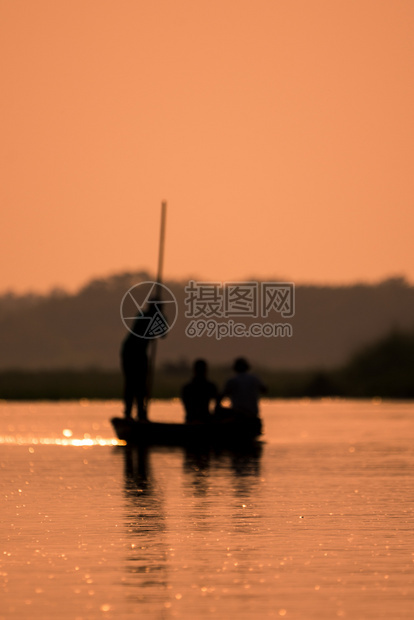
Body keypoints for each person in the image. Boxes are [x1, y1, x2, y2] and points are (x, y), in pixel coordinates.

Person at [120, 302, 160, 420]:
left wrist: (159, 317)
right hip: (131, 352)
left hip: (141, 353)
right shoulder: (143, 316)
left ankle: (141, 412)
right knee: (132, 382)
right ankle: (128, 413)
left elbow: (163, 333)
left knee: (142, 383)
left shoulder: (155, 318)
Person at [181, 359, 218, 423]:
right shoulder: (210, 386)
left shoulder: (187, 388)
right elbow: (218, 405)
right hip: (206, 419)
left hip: (191, 419)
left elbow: (187, 407)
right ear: (206, 371)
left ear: (194, 370)